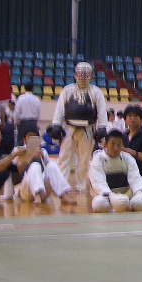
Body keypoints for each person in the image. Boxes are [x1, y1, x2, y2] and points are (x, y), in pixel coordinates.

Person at [49, 62, 108, 191]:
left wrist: (102, 127)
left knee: (84, 159)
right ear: (75, 75)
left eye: (85, 74)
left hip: (87, 129)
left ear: (91, 76)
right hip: (69, 128)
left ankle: (80, 184)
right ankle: (60, 184)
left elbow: (102, 111)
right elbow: (60, 109)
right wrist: (56, 125)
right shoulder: (67, 90)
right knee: (64, 157)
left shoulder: (96, 92)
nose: (82, 77)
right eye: (80, 74)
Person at [89, 130, 142, 212]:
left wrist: (139, 193)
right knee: (99, 203)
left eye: (119, 144)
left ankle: (136, 204)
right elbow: (99, 182)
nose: (116, 148)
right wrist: (111, 196)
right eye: (112, 144)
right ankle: (121, 206)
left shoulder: (128, 158)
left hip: (127, 195)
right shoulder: (98, 159)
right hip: (107, 197)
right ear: (105, 144)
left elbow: (135, 178)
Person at [12, 127, 74, 205]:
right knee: (35, 166)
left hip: (43, 190)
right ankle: (36, 196)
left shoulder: (43, 152)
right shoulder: (18, 151)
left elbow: (51, 172)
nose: (32, 139)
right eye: (30, 137)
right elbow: (14, 172)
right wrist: (29, 156)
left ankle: (63, 194)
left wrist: (43, 157)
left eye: (35, 137)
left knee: (52, 165)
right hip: (25, 190)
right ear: (24, 139)